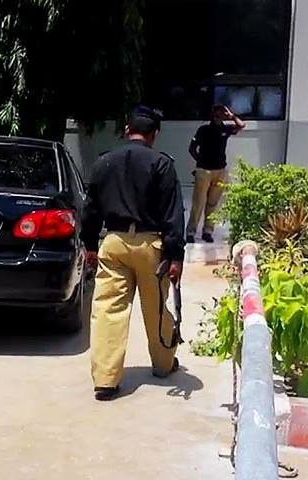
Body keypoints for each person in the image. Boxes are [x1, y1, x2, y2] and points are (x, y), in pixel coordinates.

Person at [82, 106, 186, 401]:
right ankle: (164, 365)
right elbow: (173, 214)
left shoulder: (104, 163)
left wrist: (89, 245)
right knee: (156, 308)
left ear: (127, 131)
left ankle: (105, 380)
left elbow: (90, 210)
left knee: (107, 309)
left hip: (113, 242)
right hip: (152, 247)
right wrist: (176, 255)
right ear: (154, 135)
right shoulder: (162, 165)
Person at [185, 104, 245, 244]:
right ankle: (191, 232)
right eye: (220, 112)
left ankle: (208, 231)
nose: (222, 114)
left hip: (220, 171)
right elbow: (192, 148)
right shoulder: (204, 129)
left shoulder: (225, 129)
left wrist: (233, 116)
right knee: (198, 203)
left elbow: (241, 125)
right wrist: (200, 162)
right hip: (204, 171)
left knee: (213, 203)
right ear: (213, 114)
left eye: (224, 112)